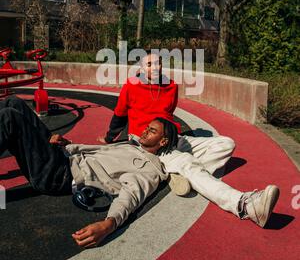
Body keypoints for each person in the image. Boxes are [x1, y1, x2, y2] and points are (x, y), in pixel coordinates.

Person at [0, 96, 280, 249]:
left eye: (153, 130)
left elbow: (131, 196)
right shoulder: (132, 144)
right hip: (63, 155)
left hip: (57, 173)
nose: (145, 129)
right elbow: (101, 154)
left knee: (10, 118)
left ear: (162, 143)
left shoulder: (147, 166)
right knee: (14, 103)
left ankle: (245, 205)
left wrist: (109, 224)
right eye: (148, 127)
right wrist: (69, 144)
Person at [99, 51, 236, 196]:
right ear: (142, 68)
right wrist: (109, 137)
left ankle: (184, 175)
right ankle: (194, 176)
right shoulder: (131, 85)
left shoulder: (171, 86)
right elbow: (120, 114)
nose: (155, 67)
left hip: (172, 138)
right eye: (150, 64)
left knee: (227, 144)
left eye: (158, 63)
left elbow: (169, 113)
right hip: (148, 143)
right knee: (187, 160)